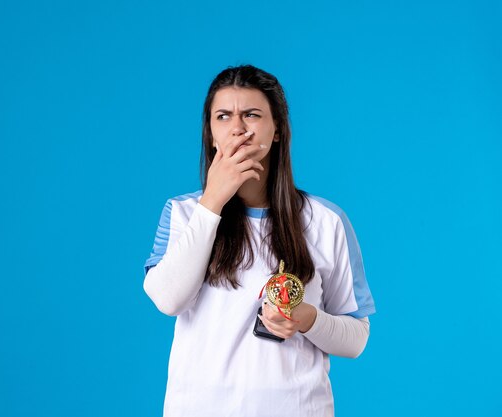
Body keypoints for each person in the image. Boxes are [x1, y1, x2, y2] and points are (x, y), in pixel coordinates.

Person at [143, 64, 376, 417]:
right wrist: (213, 202)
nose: (237, 128)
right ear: (210, 133)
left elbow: (356, 339)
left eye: (251, 115)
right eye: (223, 116)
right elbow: (167, 299)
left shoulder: (327, 221)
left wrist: (307, 318)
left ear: (278, 129)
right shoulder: (183, 212)